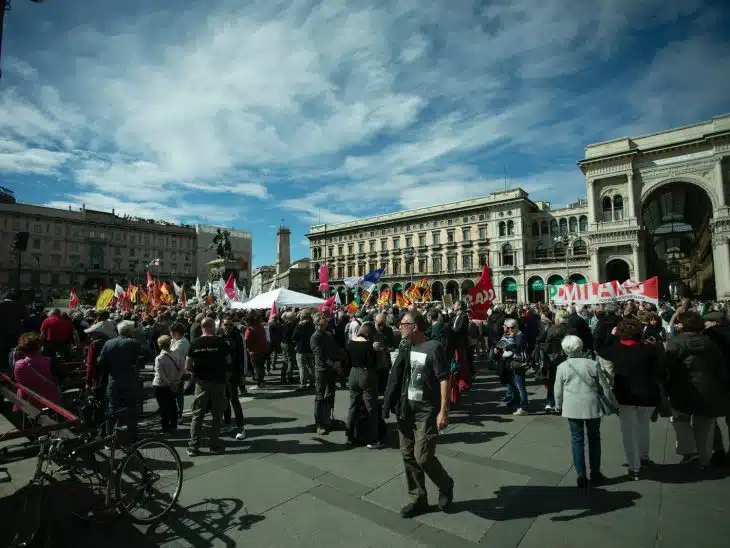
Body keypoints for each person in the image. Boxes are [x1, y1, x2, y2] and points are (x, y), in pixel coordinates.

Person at [383, 310, 453, 519]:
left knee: (422, 457)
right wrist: (387, 403)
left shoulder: (433, 347)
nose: (399, 326)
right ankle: (418, 498)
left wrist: (444, 410)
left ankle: (445, 484)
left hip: (426, 411)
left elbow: (444, 378)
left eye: (403, 323)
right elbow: (396, 374)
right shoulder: (405, 345)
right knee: (407, 455)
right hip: (405, 410)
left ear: (414, 326)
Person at [663, 311, 730, 468]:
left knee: (680, 420)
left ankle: (689, 451)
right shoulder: (709, 342)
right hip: (708, 387)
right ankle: (705, 459)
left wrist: (665, 386)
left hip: (682, 386)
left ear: (683, 325)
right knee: (705, 424)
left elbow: (667, 367)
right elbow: (719, 367)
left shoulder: (675, 342)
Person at [601, 317, 664, 480]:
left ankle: (633, 466)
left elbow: (600, 349)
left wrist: (613, 336)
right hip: (647, 394)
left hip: (626, 395)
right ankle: (644, 457)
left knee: (628, 432)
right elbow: (661, 369)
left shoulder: (617, 349)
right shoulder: (649, 350)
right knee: (644, 426)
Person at [554, 334, 616, 491]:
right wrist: (612, 403)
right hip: (592, 406)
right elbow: (605, 387)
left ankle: (581, 476)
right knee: (594, 439)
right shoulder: (592, 364)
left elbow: (558, 390)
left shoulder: (562, 367)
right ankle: (595, 473)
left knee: (577, 441)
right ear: (581, 346)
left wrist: (558, 405)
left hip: (572, 407)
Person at [97, 320, 153, 442]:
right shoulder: (134, 343)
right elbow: (149, 355)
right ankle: (132, 436)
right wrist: (137, 363)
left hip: (114, 380)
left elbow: (101, 363)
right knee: (132, 408)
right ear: (130, 331)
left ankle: (110, 437)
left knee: (112, 408)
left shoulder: (109, 343)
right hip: (130, 380)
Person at [186, 318, 231, 456]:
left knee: (198, 414)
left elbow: (188, 365)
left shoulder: (194, 343)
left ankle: (194, 446)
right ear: (213, 327)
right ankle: (214, 445)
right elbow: (228, 361)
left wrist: (198, 371)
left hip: (202, 382)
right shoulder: (222, 342)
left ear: (202, 327)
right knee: (217, 415)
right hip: (218, 381)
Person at [346, 322, 380, 447]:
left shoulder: (350, 343)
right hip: (366, 374)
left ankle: (350, 434)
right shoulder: (368, 346)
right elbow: (373, 362)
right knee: (370, 406)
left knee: (353, 405)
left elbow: (348, 361)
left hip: (353, 373)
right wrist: (374, 350)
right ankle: (372, 439)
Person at [12, 332, 61, 412]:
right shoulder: (50, 362)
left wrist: (14, 359)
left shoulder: (18, 364)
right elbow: (63, 377)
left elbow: (13, 379)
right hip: (49, 403)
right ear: (39, 346)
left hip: (25, 404)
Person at [310, 313, 342, 435]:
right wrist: (333, 364)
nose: (326, 325)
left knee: (330, 394)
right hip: (321, 369)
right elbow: (320, 355)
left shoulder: (328, 335)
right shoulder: (315, 337)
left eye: (326, 323)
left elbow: (335, 349)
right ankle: (319, 423)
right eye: (323, 323)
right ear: (317, 324)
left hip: (331, 369)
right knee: (320, 396)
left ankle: (328, 418)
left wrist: (338, 362)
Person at [218, 316, 246, 440]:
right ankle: (227, 424)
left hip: (234, 373)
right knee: (224, 400)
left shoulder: (238, 336)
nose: (228, 327)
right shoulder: (218, 337)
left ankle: (241, 427)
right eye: (226, 325)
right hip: (221, 374)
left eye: (230, 325)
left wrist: (243, 374)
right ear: (221, 325)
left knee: (234, 399)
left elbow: (243, 356)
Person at [493, 318, 529, 415]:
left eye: (511, 328)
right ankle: (516, 400)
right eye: (507, 327)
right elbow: (501, 344)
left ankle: (524, 406)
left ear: (515, 327)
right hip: (510, 362)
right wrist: (498, 349)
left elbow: (516, 349)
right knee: (513, 384)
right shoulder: (510, 334)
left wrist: (507, 344)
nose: (509, 330)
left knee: (520, 386)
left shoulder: (520, 335)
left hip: (519, 362)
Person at [153, 335, 184, 434]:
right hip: (174, 384)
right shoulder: (178, 355)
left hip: (161, 385)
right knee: (172, 405)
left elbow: (160, 373)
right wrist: (175, 381)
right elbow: (182, 369)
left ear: (159, 345)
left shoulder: (159, 358)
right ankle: (174, 425)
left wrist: (169, 383)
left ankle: (165, 428)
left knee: (163, 408)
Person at [170, 323, 191, 422]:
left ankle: (179, 415)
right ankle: (175, 413)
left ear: (177, 332)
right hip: (173, 371)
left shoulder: (183, 342)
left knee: (178, 394)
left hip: (180, 372)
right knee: (174, 394)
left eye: (172, 332)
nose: (171, 334)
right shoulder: (174, 340)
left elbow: (172, 354)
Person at [244, 313, 270, 388]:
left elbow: (247, 341)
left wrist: (247, 348)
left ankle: (259, 382)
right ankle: (261, 380)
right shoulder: (260, 327)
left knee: (257, 367)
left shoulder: (250, 330)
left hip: (254, 351)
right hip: (263, 349)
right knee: (261, 366)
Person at [293, 310, 316, 389]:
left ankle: (303, 384)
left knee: (302, 367)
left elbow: (294, 337)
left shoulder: (299, 326)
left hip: (301, 348)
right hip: (310, 348)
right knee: (311, 366)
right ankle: (313, 382)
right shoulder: (312, 326)